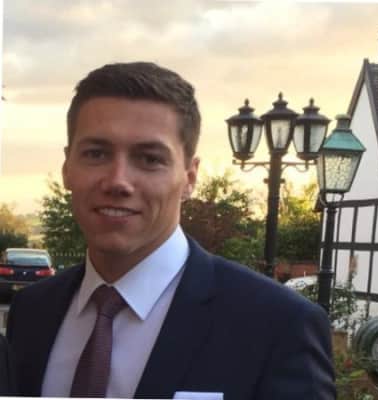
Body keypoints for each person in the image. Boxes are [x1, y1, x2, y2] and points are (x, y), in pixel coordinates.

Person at [6, 62, 336, 399]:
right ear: (67, 167)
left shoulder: (277, 325)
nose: (118, 181)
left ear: (189, 178)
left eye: (150, 159)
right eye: (96, 153)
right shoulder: (33, 311)